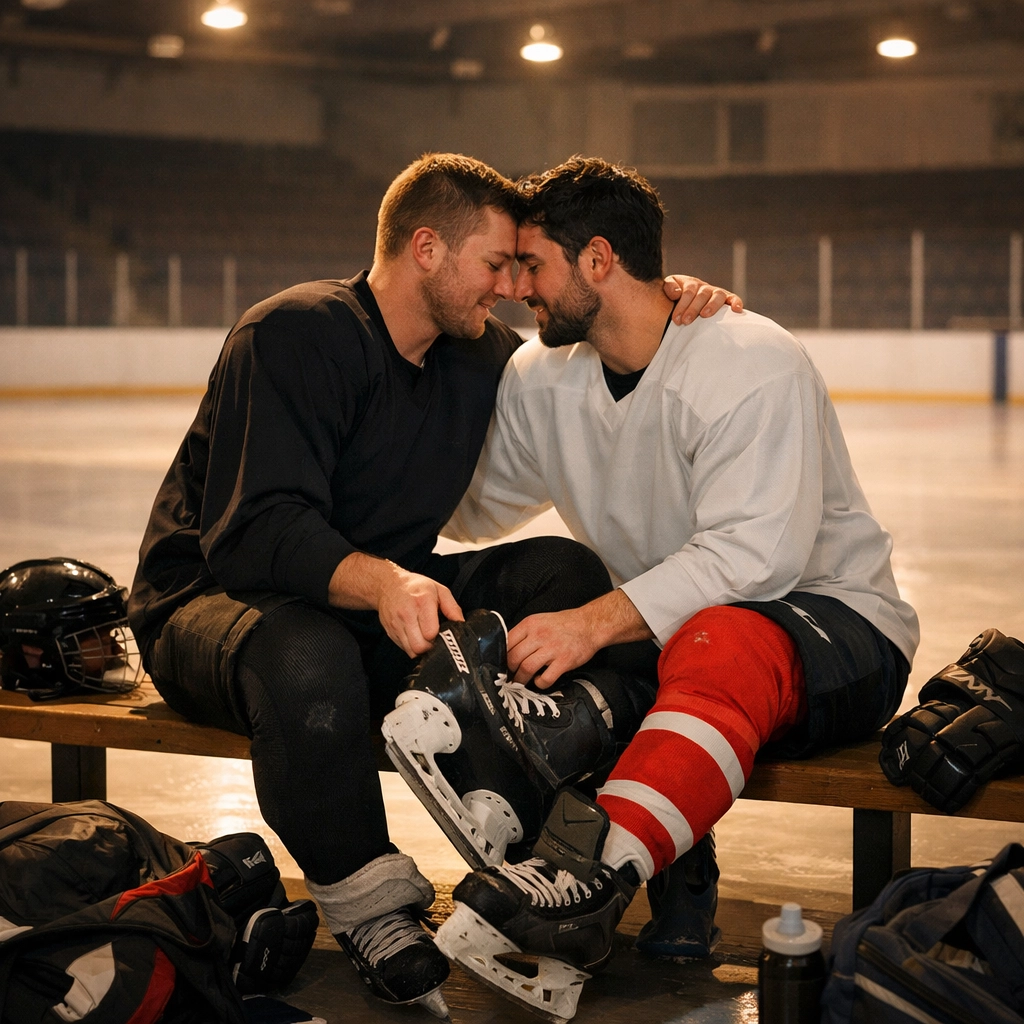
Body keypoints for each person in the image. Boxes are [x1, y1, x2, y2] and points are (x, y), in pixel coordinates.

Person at [126, 152, 737, 1018]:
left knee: (564, 574)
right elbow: (255, 530)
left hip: (371, 605)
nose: (510, 286)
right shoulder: (294, 334)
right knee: (311, 658)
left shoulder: (482, 356)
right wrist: (380, 582)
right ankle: (372, 907)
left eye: (522, 268)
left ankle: (588, 836)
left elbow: (608, 364)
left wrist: (672, 302)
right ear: (425, 248)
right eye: (496, 264)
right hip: (216, 600)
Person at [432, 156, 920, 1019]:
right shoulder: (542, 378)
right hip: (685, 641)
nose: (516, 290)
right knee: (572, 655)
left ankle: (593, 882)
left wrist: (595, 621)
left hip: (838, 628)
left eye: (532, 265)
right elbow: (472, 507)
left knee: (703, 635)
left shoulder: (749, 360)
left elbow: (756, 560)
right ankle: (679, 878)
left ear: (597, 261)